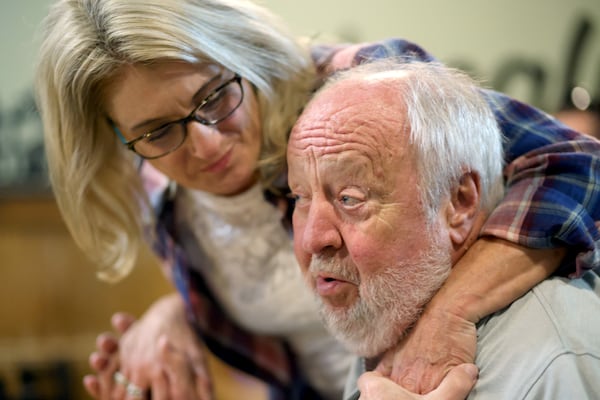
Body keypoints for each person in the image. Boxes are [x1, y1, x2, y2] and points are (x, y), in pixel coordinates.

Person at [34, 0, 600, 398]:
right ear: (116, 138)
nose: (205, 144)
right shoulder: (157, 197)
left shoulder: (356, 88)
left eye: (213, 96)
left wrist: (451, 313)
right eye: (158, 131)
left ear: (239, 53)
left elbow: (577, 166)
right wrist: (174, 316)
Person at [287, 59, 600, 400]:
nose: (312, 239)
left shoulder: (554, 363)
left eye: (350, 199)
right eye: (300, 197)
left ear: (460, 203)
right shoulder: (393, 308)